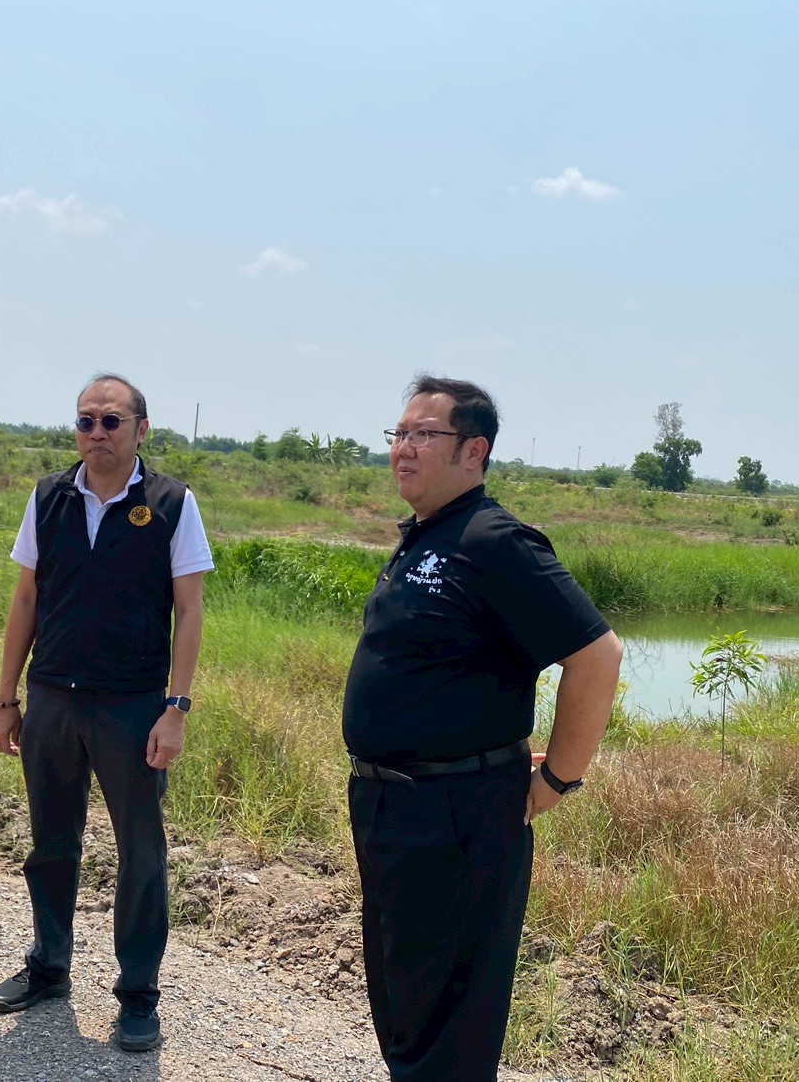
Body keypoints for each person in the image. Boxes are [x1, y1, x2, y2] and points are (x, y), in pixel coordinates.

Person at [343, 375, 623, 1082]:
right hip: (391, 805)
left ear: (474, 450)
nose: (402, 449)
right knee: (405, 994)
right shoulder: (428, 536)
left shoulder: (493, 540)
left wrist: (557, 778)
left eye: (422, 435)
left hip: (457, 811)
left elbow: (596, 655)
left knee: (450, 1016)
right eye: (397, 434)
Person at [0, 373, 213, 1052]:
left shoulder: (171, 503)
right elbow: (24, 599)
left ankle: (138, 995)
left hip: (132, 707)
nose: (96, 434)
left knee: (141, 853)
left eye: (111, 421)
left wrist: (174, 708)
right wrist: (5, 699)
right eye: (85, 421)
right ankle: (48, 966)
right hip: (54, 696)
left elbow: (190, 610)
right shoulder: (50, 497)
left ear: (142, 429)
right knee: (51, 844)